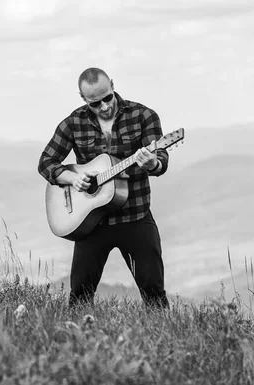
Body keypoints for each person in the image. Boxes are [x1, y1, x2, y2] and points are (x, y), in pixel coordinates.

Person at [38, 67, 170, 309]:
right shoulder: (74, 122)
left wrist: (153, 163)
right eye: (95, 103)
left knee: (154, 293)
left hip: (135, 216)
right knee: (80, 297)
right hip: (91, 222)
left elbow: (160, 161)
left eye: (107, 98)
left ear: (112, 84)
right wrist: (71, 178)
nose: (104, 107)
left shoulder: (143, 116)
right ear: (83, 98)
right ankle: (76, 342)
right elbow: (46, 163)